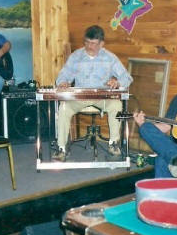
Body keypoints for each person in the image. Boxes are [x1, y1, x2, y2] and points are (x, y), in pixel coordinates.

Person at [53, 25, 133, 161]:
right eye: (87, 42)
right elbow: (62, 76)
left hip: (102, 97)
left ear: (102, 43)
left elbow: (127, 77)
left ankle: (113, 143)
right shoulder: (76, 57)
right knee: (64, 107)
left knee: (116, 106)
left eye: (93, 43)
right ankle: (62, 148)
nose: (89, 46)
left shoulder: (110, 58)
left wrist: (117, 83)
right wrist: (63, 83)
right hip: (80, 97)